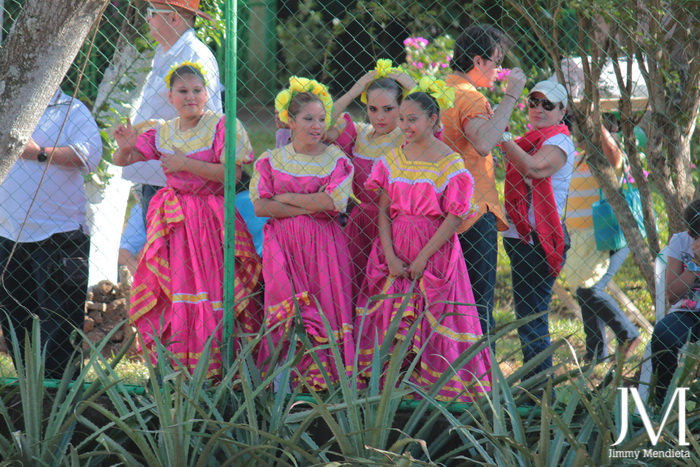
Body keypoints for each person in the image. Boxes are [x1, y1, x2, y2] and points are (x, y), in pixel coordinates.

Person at [113, 62, 261, 379]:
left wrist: (185, 164)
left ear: (207, 94)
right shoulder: (163, 131)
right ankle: (182, 366)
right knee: (179, 287)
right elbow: (121, 158)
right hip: (176, 224)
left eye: (197, 90)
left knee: (214, 287)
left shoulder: (223, 126)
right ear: (170, 96)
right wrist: (123, 144)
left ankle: (223, 367)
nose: (190, 97)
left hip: (213, 219)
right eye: (183, 91)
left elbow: (231, 175)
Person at [355, 81, 492, 402]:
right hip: (394, 250)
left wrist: (423, 259)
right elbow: (384, 212)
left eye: (412, 119)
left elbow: (454, 218)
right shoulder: (393, 159)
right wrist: (388, 254)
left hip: (435, 254)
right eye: (401, 118)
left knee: (434, 318)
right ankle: (392, 394)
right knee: (392, 321)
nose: (404, 125)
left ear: (432, 119)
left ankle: (439, 395)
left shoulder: (450, 163)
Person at [251, 77, 355, 391]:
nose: (316, 126)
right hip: (282, 247)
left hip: (324, 247)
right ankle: (284, 381)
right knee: (287, 308)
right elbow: (259, 207)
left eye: (322, 119)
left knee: (325, 307)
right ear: (289, 120)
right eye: (308, 119)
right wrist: (310, 205)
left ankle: (327, 381)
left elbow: (333, 203)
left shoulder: (337, 159)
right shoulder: (271, 159)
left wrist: (283, 199)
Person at [0, 88, 102, 379]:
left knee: (59, 326)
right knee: (14, 321)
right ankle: (26, 393)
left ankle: (59, 403)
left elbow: (89, 155)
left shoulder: (70, 109)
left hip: (59, 236)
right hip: (7, 234)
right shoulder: (7, 105)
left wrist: (38, 153)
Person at [442, 24, 527, 342]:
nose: (499, 70)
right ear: (478, 61)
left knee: (449, 302)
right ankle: (483, 383)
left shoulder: (439, 90)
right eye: (496, 61)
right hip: (474, 211)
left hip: (439, 207)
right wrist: (512, 96)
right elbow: (483, 143)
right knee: (478, 306)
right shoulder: (470, 97)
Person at [500, 80, 575, 382]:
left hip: (540, 240)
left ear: (562, 111)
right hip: (521, 238)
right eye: (534, 102)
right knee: (527, 319)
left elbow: (533, 169)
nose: (539, 109)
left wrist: (502, 136)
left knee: (532, 320)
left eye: (548, 104)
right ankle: (536, 389)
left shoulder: (559, 142)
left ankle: (541, 393)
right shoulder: (530, 139)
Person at [122, 0, 222, 225]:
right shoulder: (164, 51)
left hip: (183, 179)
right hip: (159, 173)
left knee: (178, 251)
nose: (147, 18)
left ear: (174, 18)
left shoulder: (195, 55)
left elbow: (207, 117)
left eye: (152, 12)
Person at [326, 59, 414, 297]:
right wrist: (356, 90)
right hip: (360, 222)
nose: (379, 117)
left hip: (395, 224)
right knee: (355, 287)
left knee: (387, 292)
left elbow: (433, 121)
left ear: (403, 108)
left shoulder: (408, 136)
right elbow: (323, 126)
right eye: (373, 109)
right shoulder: (358, 133)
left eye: (388, 109)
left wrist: (415, 89)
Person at [564, 120, 640, 361]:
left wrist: (596, 124)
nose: (577, 135)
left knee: (591, 289)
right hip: (582, 240)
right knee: (583, 290)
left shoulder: (607, 160)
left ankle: (627, 334)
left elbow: (612, 152)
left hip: (607, 236)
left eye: (583, 130)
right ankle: (596, 351)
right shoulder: (579, 159)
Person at [651, 199, 700, 404]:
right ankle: (665, 404)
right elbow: (672, 295)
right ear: (691, 234)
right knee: (664, 334)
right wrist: (695, 264)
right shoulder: (680, 242)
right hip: (688, 314)